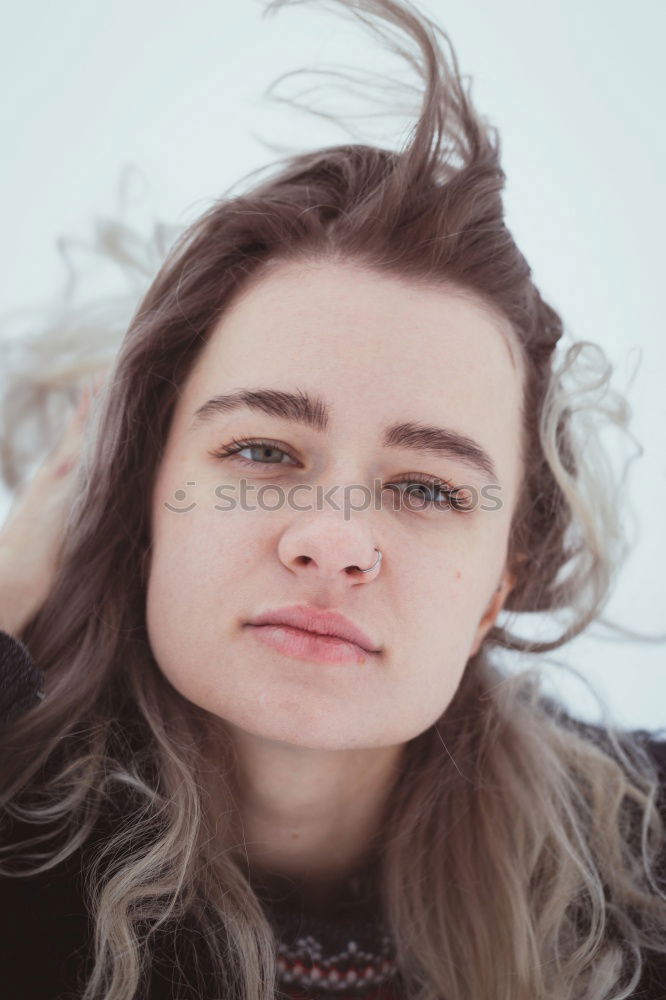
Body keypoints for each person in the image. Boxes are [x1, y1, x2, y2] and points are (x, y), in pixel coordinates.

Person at [1, 0, 665, 998]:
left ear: (497, 586)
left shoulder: (641, 877)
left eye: (429, 486)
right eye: (263, 448)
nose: (334, 541)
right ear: (137, 497)